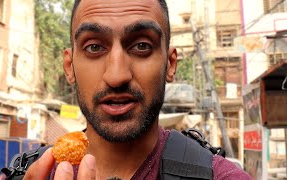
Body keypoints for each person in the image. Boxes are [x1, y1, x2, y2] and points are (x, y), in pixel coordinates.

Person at [20, 0, 251, 179]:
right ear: (69, 67)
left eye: (142, 46)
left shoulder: (222, 177)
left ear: (170, 64)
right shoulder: (28, 174)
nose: (117, 75)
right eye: (94, 47)